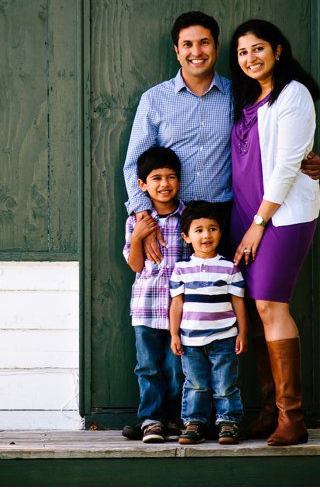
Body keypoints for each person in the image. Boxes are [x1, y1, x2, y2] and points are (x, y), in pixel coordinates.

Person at [121, 11, 320, 441]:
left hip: (230, 218)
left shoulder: (238, 94)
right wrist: (144, 214)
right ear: (176, 50)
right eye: (188, 45)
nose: (197, 52)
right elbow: (133, 161)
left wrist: (307, 161)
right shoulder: (155, 99)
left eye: (205, 43)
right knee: (174, 315)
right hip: (172, 222)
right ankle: (169, 413)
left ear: (215, 47)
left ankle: (248, 411)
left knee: (241, 309)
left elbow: (271, 141)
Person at [228, 19, 320, 447]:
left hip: (280, 216)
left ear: (278, 50)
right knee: (255, 307)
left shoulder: (293, 94)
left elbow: (287, 166)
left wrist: (258, 224)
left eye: (258, 49)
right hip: (245, 214)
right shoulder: (248, 98)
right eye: (243, 52)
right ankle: (269, 411)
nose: (250, 58)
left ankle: (293, 417)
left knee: (270, 304)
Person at [121, 146, 189, 443]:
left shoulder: (188, 218)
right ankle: (151, 419)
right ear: (142, 185)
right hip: (146, 307)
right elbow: (136, 265)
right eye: (156, 178)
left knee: (176, 368)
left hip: (180, 309)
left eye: (171, 177)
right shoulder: (137, 221)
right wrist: (137, 237)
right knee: (148, 366)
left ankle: (173, 418)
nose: (164, 184)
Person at [169, 201, 246, 446]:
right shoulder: (181, 269)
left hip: (224, 337)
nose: (206, 235)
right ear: (186, 236)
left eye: (212, 229)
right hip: (190, 340)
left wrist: (242, 332)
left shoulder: (229, 267)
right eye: (199, 230)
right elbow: (177, 304)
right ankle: (194, 422)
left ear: (220, 233)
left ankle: (228, 422)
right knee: (196, 384)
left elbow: (238, 303)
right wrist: (174, 334)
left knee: (225, 384)